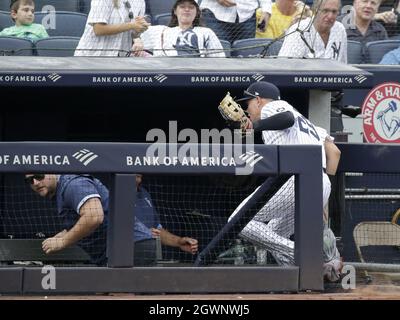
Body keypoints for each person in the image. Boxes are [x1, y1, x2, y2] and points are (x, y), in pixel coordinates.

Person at [226, 81, 342, 281]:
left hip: (298, 180)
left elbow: (286, 118)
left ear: (259, 100)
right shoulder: (308, 123)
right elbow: (334, 152)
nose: (246, 109)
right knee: (271, 235)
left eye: (248, 103)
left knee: (238, 221)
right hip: (319, 181)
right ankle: (301, 279)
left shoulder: (274, 107)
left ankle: (309, 258)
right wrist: (323, 194)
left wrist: (255, 125)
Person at [25, 173, 160, 266]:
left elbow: (94, 217)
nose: (35, 183)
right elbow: (83, 222)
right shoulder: (59, 192)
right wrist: (60, 236)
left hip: (130, 247)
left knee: (119, 295)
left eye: (39, 176)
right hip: (122, 250)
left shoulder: (73, 184)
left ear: (52, 172)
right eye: (30, 180)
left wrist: (63, 241)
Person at [134, 174, 198, 255]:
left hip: (147, 260)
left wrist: (178, 241)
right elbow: (118, 228)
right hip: (123, 260)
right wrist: (146, 233)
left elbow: (157, 229)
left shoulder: (144, 193)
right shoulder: (114, 193)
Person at [140, 0, 225, 57]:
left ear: (197, 12)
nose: (187, 9)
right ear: (175, 11)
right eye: (182, 7)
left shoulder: (206, 32)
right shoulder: (161, 31)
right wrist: (137, 41)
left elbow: (219, 59)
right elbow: (135, 35)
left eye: (191, 7)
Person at [278, 0, 348, 63]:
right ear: (315, 10)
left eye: (334, 12)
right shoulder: (299, 30)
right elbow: (285, 65)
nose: (330, 16)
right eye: (325, 11)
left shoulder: (340, 29)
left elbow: (343, 65)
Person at [74, 0, 150, 57]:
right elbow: (98, 29)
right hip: (91, 58)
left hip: (120, 59)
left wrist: (138, 35)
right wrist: (131, 25)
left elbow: (133, 32)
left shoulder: (140, 1)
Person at [199, 0, 272, 43]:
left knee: (246, 62)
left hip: (248, 15)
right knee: (217, 60)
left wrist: (266, 10)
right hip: (215, 15)